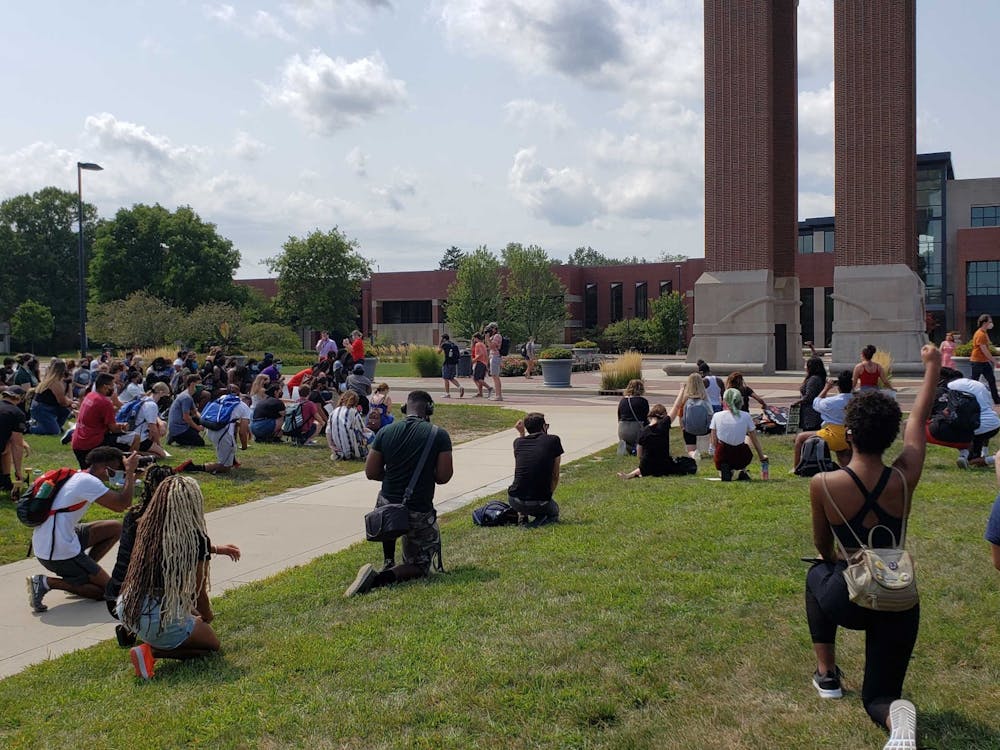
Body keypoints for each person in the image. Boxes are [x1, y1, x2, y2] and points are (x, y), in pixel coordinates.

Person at [804, 345, 938, 747]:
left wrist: (836, 562)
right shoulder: (903, 479)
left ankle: (827, 674)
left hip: (851, 598)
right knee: (879, 696)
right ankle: (896, 714)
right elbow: (918, 418)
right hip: (900, 598)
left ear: (850, 434)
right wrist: (932, 366)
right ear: (889, 436)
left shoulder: (824, 484)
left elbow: (823, 546)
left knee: (815, 573)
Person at [117, 475, 240, 679]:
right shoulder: (196, 538)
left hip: (128, 605)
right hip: (159, 614)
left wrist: (217, 549)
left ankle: (146, 638)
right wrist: (207, 618)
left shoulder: (147, 527)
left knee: (188, 616)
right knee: (212, 648)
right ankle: (152, 651)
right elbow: (198, 593)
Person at [346, 390, 453, 596]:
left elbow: (371, 472)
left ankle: (388, 560)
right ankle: (379, 579)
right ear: (429, 409)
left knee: (390, 509)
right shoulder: (438, 434)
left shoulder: (386, 432)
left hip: (385, 509)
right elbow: (443, 476)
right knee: (421, 566)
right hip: (418, 508)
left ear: (405, 408)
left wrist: (394, 476)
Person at [26, 447, 140, 613]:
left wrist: (131, 475)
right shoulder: (89, 482)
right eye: (116, 470)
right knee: (106, 592)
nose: (118, 473)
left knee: (115, 527)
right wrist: (130, 473)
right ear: (103, 468)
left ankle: (82, 573)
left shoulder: (79, 475)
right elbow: (122, 505)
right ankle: (46, 582)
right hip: (58, 552)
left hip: (50, 540)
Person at [177, 387, 251, 475]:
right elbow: (242, 433)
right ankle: (191, 467)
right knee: (225, 468)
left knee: (230, 446)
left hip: (210, 428)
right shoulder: (244, 407)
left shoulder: (223, 398)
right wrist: (244, 446)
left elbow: (230, 419)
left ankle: (232, 460)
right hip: (222, 433)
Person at [71, 373, 138, 468]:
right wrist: (123, 427)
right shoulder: (105, 402)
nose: (114, 388)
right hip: (92, 443)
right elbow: (113, 429)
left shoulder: (90, 396)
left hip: (78, 443)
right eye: (112, 385)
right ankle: (126, 469)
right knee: (135, 437)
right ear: (105, 387)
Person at [508, 412, 562, 526]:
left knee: (525, 484)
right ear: (543, 427)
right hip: (539, 501)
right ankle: (538, 522)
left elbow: (524, 463)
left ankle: (523, 515)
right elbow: (555, 474)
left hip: (515, 499)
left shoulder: (518, 442)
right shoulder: (554, 440)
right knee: (553, 512)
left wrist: (522, 433)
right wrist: (547, 496)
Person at [793, 370, 855, 467]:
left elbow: (816, 402)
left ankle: (796, 468)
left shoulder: (831, 402)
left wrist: (826, 388)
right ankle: (848, 469)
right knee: (843, 453)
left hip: (833, 436)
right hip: (852, 437)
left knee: (800, 438)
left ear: (838, 387)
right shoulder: (858, 400)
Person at [943, 367, 1000, 469]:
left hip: (975, 426)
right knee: (975, 454)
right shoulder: (979, 384)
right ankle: (981, 455)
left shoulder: (950, 386)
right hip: (994, 424)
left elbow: (949, 410)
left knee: (950, 425)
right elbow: (988, 408)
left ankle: (966, 455)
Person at [709, 389, 767, 481]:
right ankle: (741, 470)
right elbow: (754, 439)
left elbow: (714, 440)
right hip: (740, 454)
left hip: (723, 453)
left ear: (724, 401)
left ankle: (726, 470)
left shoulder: (717, 416)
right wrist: (761, 457)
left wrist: (714, 453)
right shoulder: (746, 416)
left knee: (722, 452)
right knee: (745, 446)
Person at [617, 403, 674, 480]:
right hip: (663, 465)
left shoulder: (643, 431)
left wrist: (642, 461)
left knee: (646, 464)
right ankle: (633, 474)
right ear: (663, 415)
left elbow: (639, 453)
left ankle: (630, 475)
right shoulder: (664, 425)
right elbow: (676, 407)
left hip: (647, 466)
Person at [669, 372, 711, 459]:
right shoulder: (705, 398)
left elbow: (680, 416)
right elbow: (711, 414)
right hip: (705, 429)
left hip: (689, 430)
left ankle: (693, 453)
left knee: (690, 447)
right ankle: (712, 448)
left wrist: (683, 428)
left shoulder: (685, 399)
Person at [29, 358, 74, 435]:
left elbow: (63, 399)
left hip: (45, 407)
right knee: (54, 432)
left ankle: (56, 426)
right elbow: (62, 402)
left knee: (66, 410)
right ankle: (29, 427)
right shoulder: (55, 382)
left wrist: (71, 402)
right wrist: (71, 402)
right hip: (42, 409)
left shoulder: (52, 379)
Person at [0, 386, 29, 494]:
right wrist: (18, 471)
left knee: (7, 445)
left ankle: (5, 480)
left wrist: (23, 442)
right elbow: (17, 445)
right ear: (20, 398)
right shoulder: (16, 413)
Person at [327, 390, 370, 461]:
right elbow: (362, 429)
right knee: (368, 434)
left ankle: (339, 453)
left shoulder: (333, 412)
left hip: (337, 449)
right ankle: (362, 453)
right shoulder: (354, 412)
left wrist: (331, 445)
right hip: (350, 450)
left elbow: (328, 431)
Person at [167, 375, 206, 447]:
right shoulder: (186, 398)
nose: (201, 387)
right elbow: (186, 417)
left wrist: (204, 421)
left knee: (197, 420)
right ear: (192, 384)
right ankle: (175, 437)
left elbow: (195, 412)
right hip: (179, 429)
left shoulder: (188, 396)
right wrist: (198, 427)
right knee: (200, 443)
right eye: (199, 384)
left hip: (181, 425)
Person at [970, 313, 1000, 404]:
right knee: (974, 381)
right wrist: (994, 361)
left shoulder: (984, 333)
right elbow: (984, 350)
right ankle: (970, 399)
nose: (991, 324)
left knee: (991, 380)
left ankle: (996, 399)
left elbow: (988, 347)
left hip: (983, 361)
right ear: (984, 323)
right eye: (990, 321)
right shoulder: (980, 334)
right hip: (977, 361)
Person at [794, 357, 828, 432]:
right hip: (815, 412)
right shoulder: (819, 378)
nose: (805, 367)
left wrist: (798, 402)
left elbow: (809, 396)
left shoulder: (813, 380)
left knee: (810, 432)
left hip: (810, 413)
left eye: (806, 365)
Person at [617, 379, 650, 455]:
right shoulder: (643, 401)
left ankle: (627, 447)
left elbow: (619, 417)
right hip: (636, 430)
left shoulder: (622, 401)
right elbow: (646, 418)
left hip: (622, 430)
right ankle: (637, 448)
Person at [486, 322, 504, 401]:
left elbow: (492, 346)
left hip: (495, 356)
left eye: (490, 328)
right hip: (493, 356)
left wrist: (487, 339)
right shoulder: (494, 336)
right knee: (494, 376)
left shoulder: (497, 336)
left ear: (494, 329)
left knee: (495, 376)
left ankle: (498, 395)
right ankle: (497, 394)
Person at [471, 333, 489, 398]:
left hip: (479, 362)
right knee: (480, 378)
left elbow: (480, 354)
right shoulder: (483, 345)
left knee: (476, 378)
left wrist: (474, 360)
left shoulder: (478, 344)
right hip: (484, 363)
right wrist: (486, 365)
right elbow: (486, 355)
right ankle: (480, 393)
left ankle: (489, 388)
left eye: (474, 338)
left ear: (476, 338)